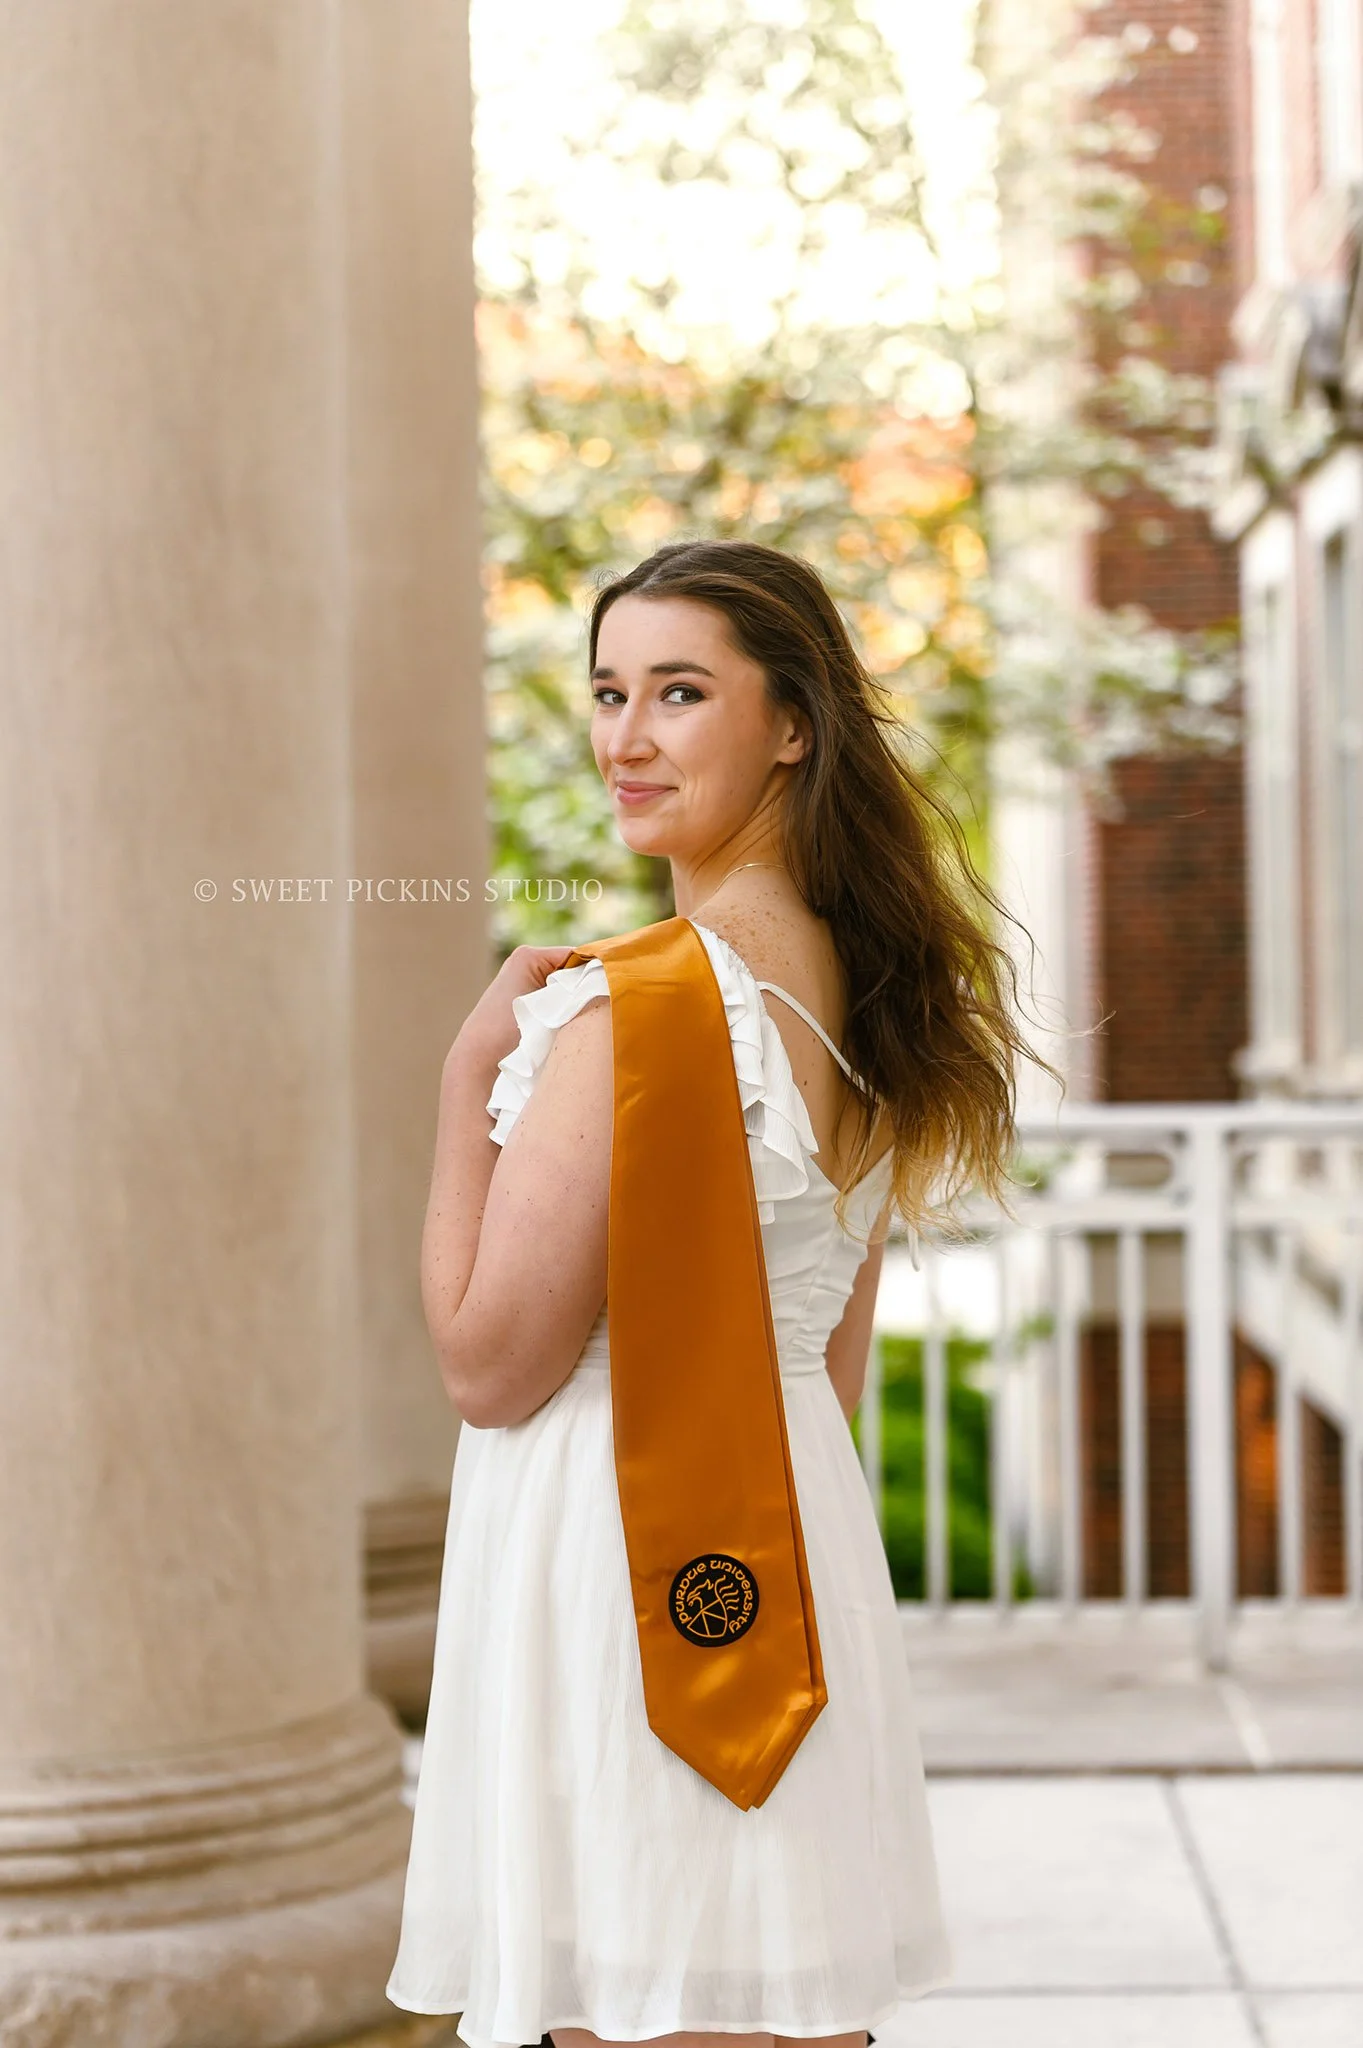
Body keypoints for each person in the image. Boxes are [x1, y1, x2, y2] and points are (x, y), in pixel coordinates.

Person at [385, 538, 1043, 2048]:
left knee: (642, 1998)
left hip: (619, 1558)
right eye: (610, 691)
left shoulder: (633, 1010)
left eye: (679, 692)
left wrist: (463, 1078)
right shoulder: (869, 995)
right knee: (772, 1999)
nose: (625, 736)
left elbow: (488, 1367)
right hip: (784, 1536)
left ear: (791, 722)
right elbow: (827, 1364)